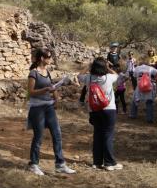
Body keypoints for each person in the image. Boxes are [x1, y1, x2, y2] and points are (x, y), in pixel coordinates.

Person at [27, 48, 75, 176]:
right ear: (42, 58)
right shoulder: (33, 73)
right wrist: (45, 90)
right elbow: (30, 92)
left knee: (57, 134)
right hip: (37, 108)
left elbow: (51, 86)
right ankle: (33, 164)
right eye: (48, 56)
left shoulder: (46, 71)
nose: (50, 59)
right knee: (38, 136)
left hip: (49, 107)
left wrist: (56, 98)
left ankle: (60, 164)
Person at [78, 57, 123, 171]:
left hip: (94, 110)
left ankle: (96, 162)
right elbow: (117, 76)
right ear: (104, 67)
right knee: (108, 135)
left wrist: (88, 66)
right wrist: (108, 67)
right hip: (108, 109)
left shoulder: (88, 78)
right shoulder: (108, 77)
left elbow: (79, 76)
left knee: (97, 134)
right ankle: (109, 163)